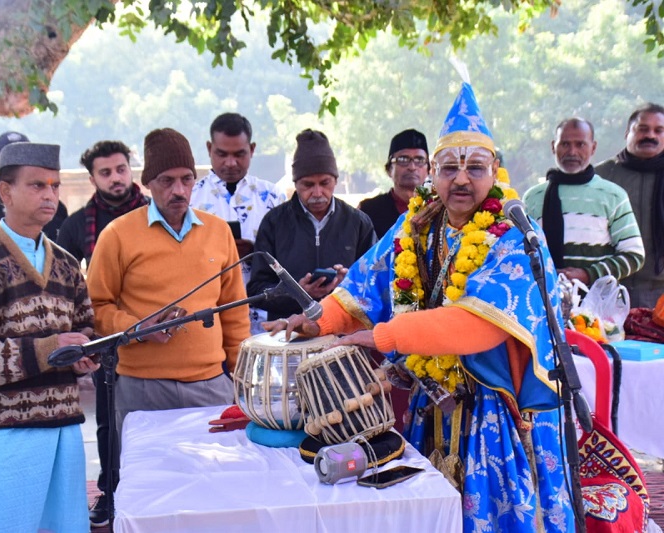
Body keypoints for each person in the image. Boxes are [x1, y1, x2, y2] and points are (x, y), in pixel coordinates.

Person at [267, 83, 575, 532]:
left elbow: (478, 325)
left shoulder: (514, 235)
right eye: (450, 167)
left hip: (496, 414)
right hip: (431, 404)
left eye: (475, 167)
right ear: (432, 172)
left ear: (496, 171)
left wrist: (385, 337)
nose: (462, 179)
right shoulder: (415, 225)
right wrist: (316, 323)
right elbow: (361, 290)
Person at [0, 142, 98, 531]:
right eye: (37, 185)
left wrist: (86, 353)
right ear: (5, 192)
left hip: (63, 430)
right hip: (2, 435)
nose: (50, 195)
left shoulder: (65, 264)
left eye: (56, 186)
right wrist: (49, 351)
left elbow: (86, 325)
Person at [87, 128, 249, 425]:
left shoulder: (218, 231)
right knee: (146, 472)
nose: (178, 190)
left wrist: (243, 381)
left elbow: (235, 311)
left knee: (219, 471)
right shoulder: (117, 235)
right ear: (147, 183)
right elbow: (95, 308)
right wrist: (137, 328)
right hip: (142, 389)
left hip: (211, 385)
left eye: (186, 179)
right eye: (167, 181)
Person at [56, 139, 148, 528]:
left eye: (121, 169)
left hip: (157, 329)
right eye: (106, 172)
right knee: (110, 420)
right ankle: (111, 491)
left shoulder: (154, 214)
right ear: (93, 178)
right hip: (108, 337)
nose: (115, 178)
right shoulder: (78, 225)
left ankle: (152, 493)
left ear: (132, 169)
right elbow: (64, 284)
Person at [247, 129, 376, 321]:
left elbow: (375, 281)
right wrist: (297, 293)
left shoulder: (358, 222)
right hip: (287, 337)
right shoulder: (274, 222)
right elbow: (257, 289)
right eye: (308, 185)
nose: (317, 192)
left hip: (342, 334)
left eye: (325, 183)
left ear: (336, 180)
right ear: (295, 183)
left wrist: (347, 282)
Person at [191, 112, 287, 333]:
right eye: (222, 154)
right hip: (210, 318)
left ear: (252, 150)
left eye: (239, 154)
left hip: (266, 319)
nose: (230, 163)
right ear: (208, 149)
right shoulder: (191, 199)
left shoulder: (273, 197)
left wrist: (257, 253)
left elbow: (289, 257)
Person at [524, 117, 644, 285]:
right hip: (543, 301)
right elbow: (522, 252)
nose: (572, 152)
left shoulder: (614, 196)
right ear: (553, 146)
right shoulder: (533, 197)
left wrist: (588, 275)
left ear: (593, 147)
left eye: (580, 144)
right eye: (565, 144)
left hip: (596, 303)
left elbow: (634, 255)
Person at [595, 103, 664, 307]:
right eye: (642, 129)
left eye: (658, 130)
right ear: (627, 132)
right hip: (610, 289)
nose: (650, 135)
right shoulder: (602, 176)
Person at [358, 129, 429, 238]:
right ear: (389, 169)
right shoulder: (368, 211)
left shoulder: (438, 209)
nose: (412, 167)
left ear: (428, 169)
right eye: (403, 159)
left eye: (419, 160)